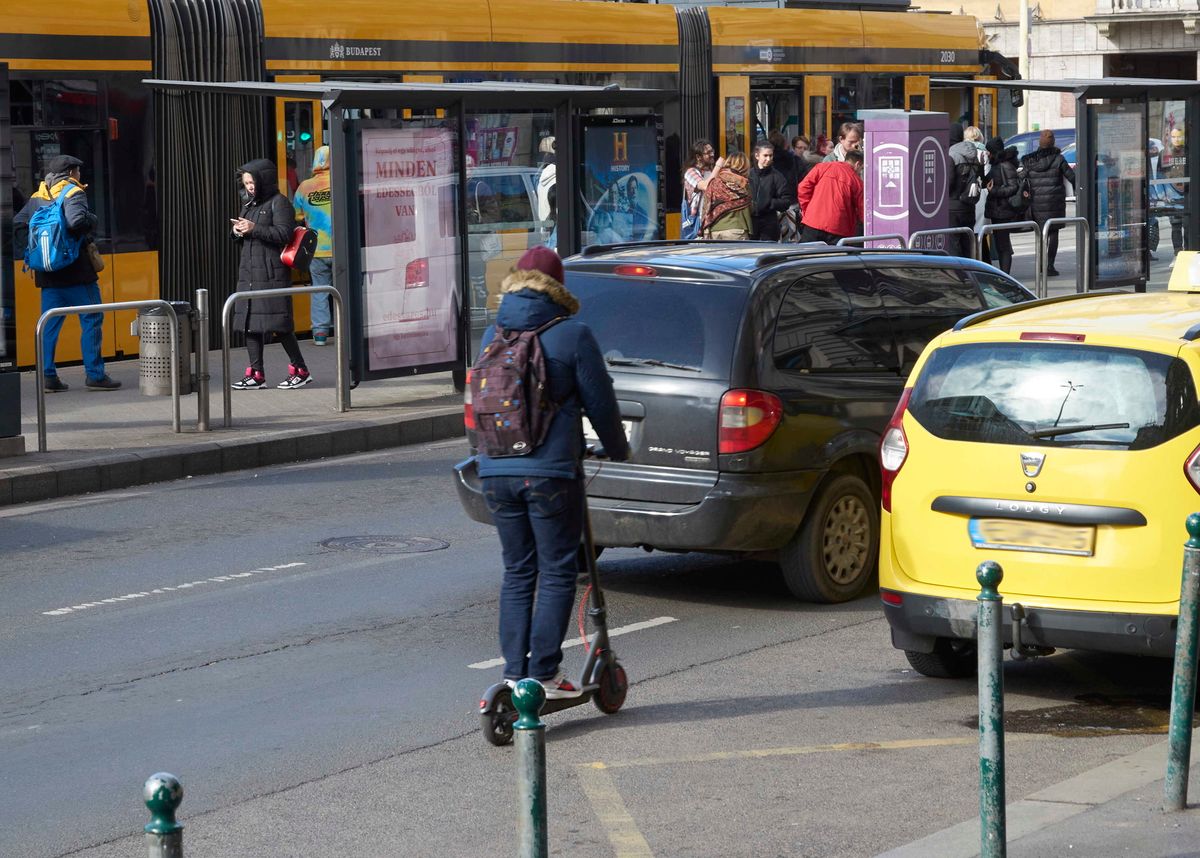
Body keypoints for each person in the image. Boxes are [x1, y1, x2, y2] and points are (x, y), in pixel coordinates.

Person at [477, 246, 629, 695]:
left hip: (495, 470)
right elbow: (601, 405)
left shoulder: (491, 334)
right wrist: (617, 450)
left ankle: (513, 674)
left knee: (517, 572)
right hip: (550, 474)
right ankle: (543, 673)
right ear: (558, 287)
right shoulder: (572, 334)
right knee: (558, 571)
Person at [13, 154, 120, 392]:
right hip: (77, 273)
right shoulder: (73, 192)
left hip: (48, 276)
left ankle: (48, 376)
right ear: (71, 172)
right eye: (78, 171)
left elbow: (18, 223)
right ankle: (95, 375)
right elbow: (76, 221)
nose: (79, 175)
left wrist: (33, 251)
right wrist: (92, 219)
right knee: (92, 319)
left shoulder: (38, 196)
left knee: (48, 325)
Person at [230, 158, 312, 390]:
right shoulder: (249, 204)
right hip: (249, 273)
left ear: (263, 180)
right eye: (246, 183)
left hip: (271, 273)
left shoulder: (280, 203)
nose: (249, 187)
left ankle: (300, 370)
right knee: (249, 323)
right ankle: (256, 373)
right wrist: (237, 231)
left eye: (252, 182)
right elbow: (246, 236)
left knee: (280, 324)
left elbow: (284, 234)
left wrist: (254, 228)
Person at [293, 145, 333, 346]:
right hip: (341, 248)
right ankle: (347, 331)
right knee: (345, 291)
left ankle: (320, 334)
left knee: (319, 291)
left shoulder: (304, 187)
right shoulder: (339, 181)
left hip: (316, 249)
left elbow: (297, 216)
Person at [1021, 129, 1076, 276]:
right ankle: (1050, 266)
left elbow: (1021, 177)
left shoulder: (1030, 161)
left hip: (1036, 203)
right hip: (1054, 203)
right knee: (1053, 233)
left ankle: (1040, 265)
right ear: (1053, 143)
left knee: (1040, 234)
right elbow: (1072, 177)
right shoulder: (1059, 159)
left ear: (1040, 143)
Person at [796, 149, 864, 244]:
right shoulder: (857, 182)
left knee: (806, 252)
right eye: (862, 168)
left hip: (813, 222)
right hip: (839, 228)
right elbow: (862, 210)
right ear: (857, 164)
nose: (860, 172)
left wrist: (807, 209)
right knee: (835, 253)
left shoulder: (822, 167)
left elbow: (803, 188)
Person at [982, 136, 1023, 274]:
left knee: (1003, 245)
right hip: (998, 210)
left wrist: (994, 191)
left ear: (994, 151)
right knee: (1000, 245)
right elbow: (985, 182)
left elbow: (1013, 187)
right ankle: (1003, 273)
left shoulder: (1005, 165)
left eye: (989, 151)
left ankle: (1005, 275)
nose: (987, 154)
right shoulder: (996, 165)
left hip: (1003, 210)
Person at [947, 125, 983, 259]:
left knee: (953, 245)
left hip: (952, 208)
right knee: (968, 245)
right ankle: (969, 270)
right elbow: (981, 179)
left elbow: (949, 182)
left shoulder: (951, 155)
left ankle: (958, 272)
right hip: (969, 205)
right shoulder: (974, 154)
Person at [749, 139, 795, 241]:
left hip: (769, 224)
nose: (768, 159)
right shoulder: (749, 175)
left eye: (771, 155)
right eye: (765, 155)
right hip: (751, 224)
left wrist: (769, 203)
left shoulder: (777, 176)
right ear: (757, 156)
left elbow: (786, 201)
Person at [700, 151, 752, 239]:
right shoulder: (742, 183)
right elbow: (750, 209)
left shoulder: (714, 182)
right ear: (744, 166)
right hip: (736, 230)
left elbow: (707, 206)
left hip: (714, 231)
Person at [681, 138, 719, 240]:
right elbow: (705, 186)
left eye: (712, 151)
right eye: (708, 152)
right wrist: (718, 166)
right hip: (697, 223)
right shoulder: (691, 172)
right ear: (698, 157)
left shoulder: (711, 171)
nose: (712, 154)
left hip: (712, 221)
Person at [1162, 125, 1187, 252]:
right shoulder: (1165, 153)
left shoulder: (1189, 151)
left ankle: (1189, 250)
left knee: (1188, 224)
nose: (1177, 139)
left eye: (1179, 136)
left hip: (1188, 194)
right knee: (1176, 225)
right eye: (1174, 137)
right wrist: (1163, 193)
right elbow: (1160, 174)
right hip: (1172, 194)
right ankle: (1178, 251)